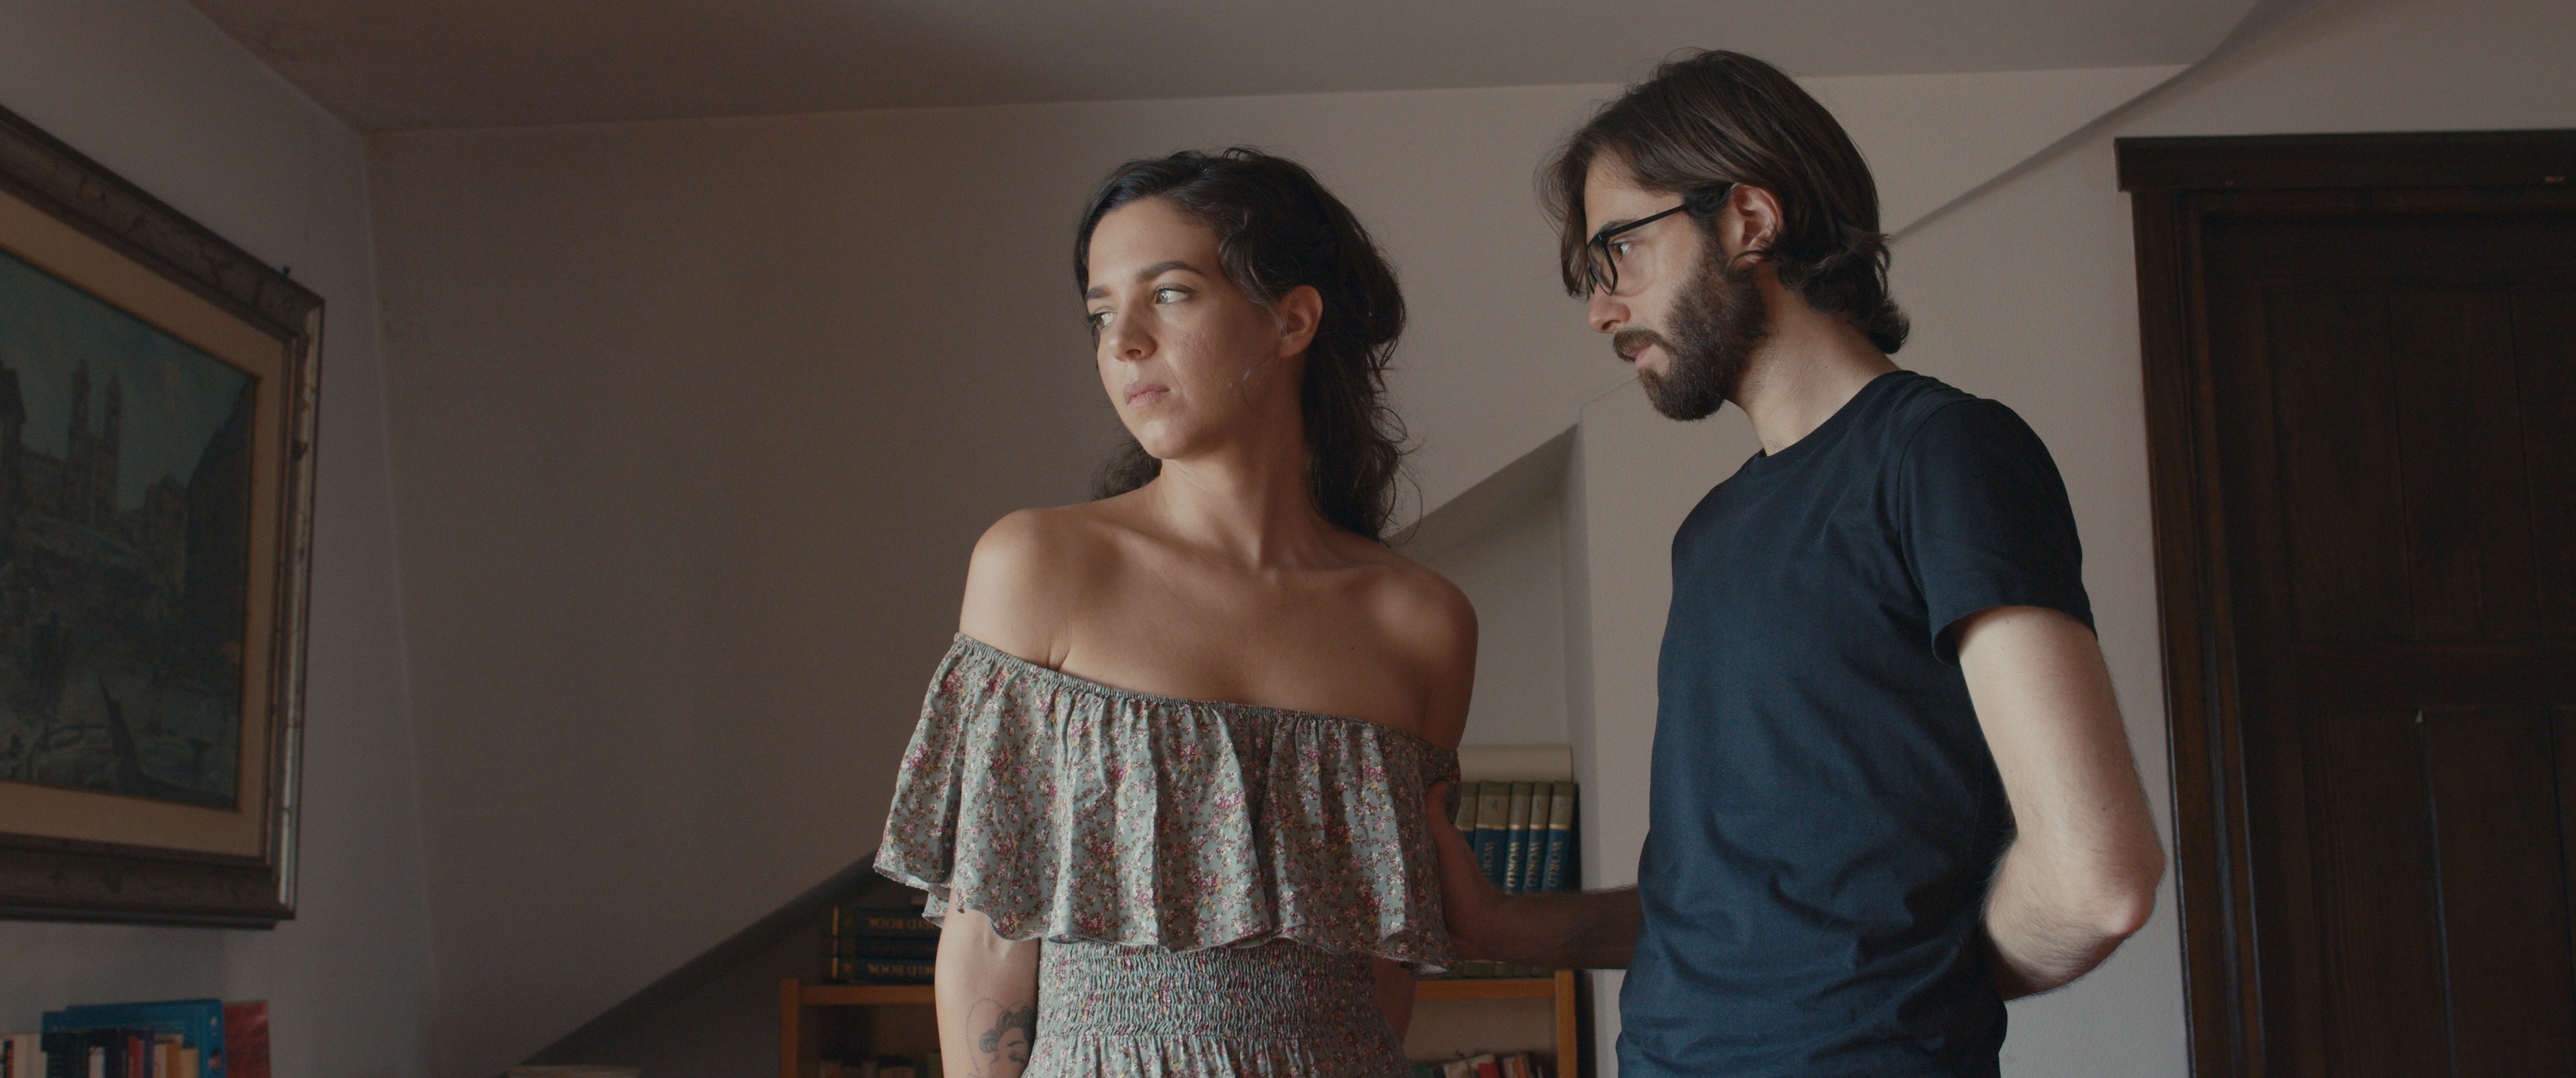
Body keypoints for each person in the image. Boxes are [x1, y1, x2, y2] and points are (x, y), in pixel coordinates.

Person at [1425, 51, 2167, 1077]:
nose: (1600, 311)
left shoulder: (1939, 453)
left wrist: (1912, 990)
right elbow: (1736, 910)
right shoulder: (1712, 533)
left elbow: (2096, 877)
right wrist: (1503, 925)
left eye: (1618, 253)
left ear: (1747, 219)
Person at [876, 148, 1477, 1078]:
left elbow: (1385, 968)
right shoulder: (1037, 566)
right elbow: (986, 944)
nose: (1122, 342)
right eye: (1100, 313)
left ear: (1291, 318)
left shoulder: (1423, 624)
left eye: (1168, 294)